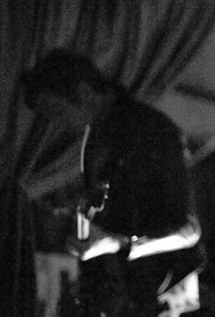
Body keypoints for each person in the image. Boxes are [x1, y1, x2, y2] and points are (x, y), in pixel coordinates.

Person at [20, 49, 205, 317]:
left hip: (167, 296)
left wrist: (116, 243)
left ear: (83, 92)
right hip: (128, 296)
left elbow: (189, 231)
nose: (58, 125)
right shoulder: (96, 140)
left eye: (58, 112)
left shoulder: (151, 129)